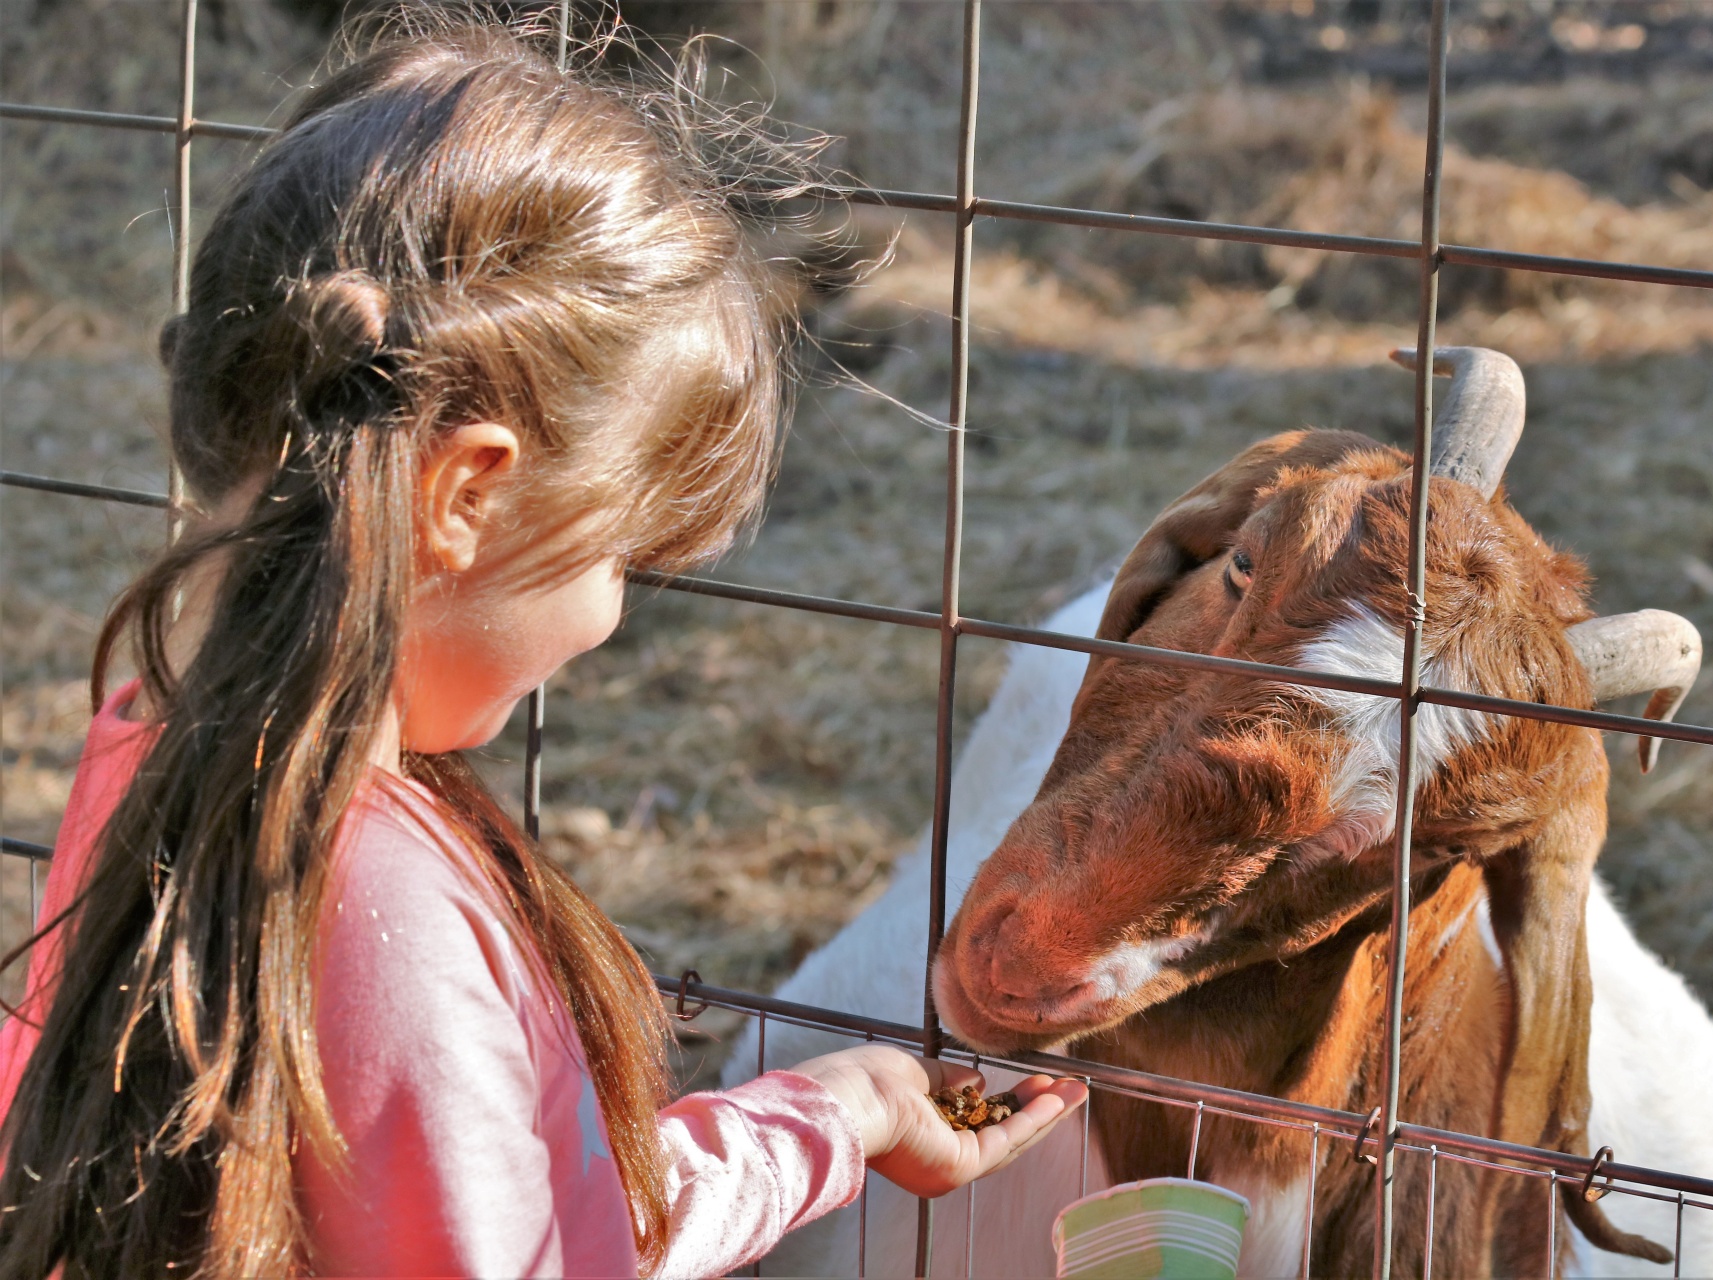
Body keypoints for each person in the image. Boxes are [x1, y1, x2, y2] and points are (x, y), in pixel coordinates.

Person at [0, 15, 1086, 1278]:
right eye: (619, 556)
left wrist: (836, 1112)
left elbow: (520, 1210)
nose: (609, 613)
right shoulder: (386, 909)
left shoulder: (150, 740)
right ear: (464, 495)